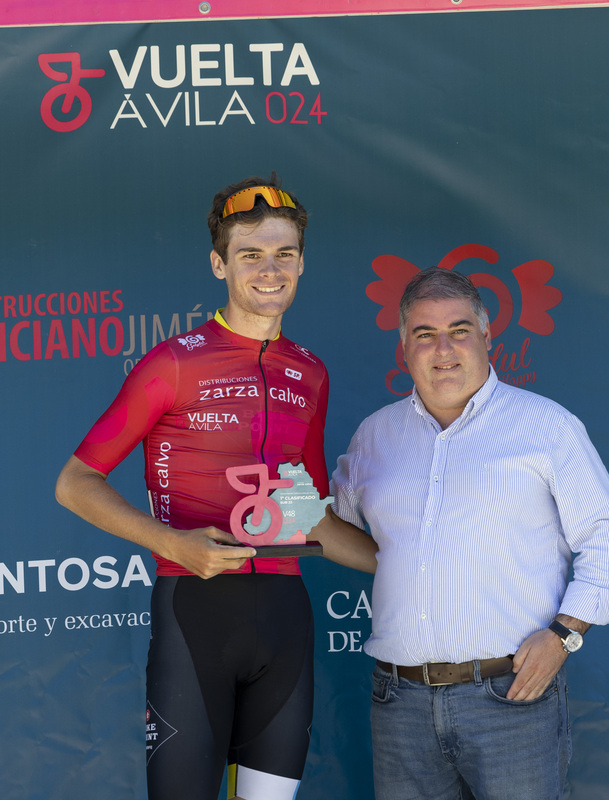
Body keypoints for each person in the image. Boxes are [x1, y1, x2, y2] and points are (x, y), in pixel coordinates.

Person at [54, 175, 373, 800]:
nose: (269, 269)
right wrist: (174, 544)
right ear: (219, 263)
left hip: (285, 620)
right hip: (195, 613)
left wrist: (406, 568)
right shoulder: (174, 362)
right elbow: (76, 482)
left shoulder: (309, 373)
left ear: (302, 263)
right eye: (250, 254)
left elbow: (305, 511)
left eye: (284, 254)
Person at [328, 267, 609, 800]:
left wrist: (565, 634)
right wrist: (276, 478)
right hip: (399, 703)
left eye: (459, 329)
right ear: (404, 346)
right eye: (424, 334)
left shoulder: (546, 426)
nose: (443, 348)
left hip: (510, 698)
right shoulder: (376, 435)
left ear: (487, 336)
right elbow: (332, 525)